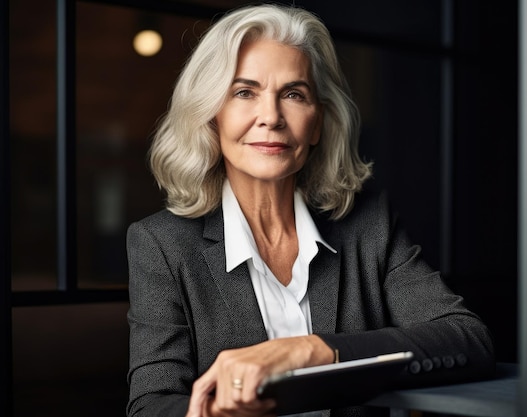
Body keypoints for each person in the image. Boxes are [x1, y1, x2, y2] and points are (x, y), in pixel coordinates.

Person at [126, 4, 495, 417]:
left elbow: (468, 339)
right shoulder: (161, 244)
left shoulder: (367, 226)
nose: (271, 117)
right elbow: (150, 404)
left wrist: (313, 351)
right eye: (244, 92)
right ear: (212, 116)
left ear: (317, 122)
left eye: (293, 94)